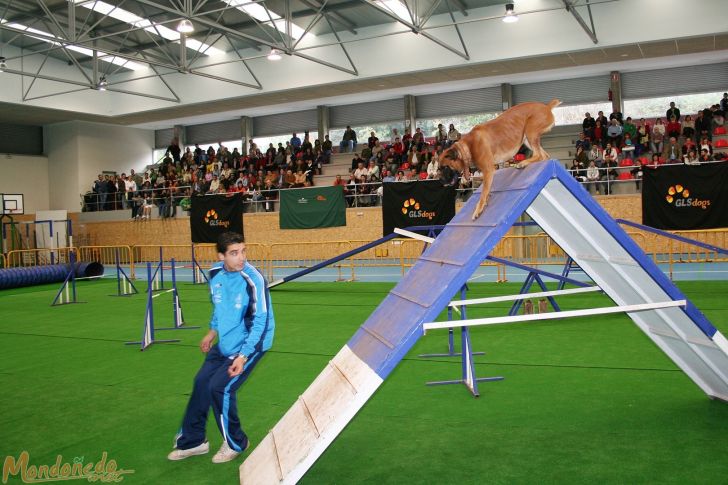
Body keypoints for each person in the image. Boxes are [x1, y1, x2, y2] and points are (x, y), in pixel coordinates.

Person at [168, 232, 275, 464]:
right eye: (234, 253)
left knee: (220, 387)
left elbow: (261, 321)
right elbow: (219, 307)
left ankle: (237, 442)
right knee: (201, 383)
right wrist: (212, 332)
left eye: (244, 251)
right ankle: (194, 441)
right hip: (225, 341)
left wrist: (243, 356)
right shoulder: (215, 274)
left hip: (251, 343)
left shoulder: (254, 279)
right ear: (221, 256)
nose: (241, 258)